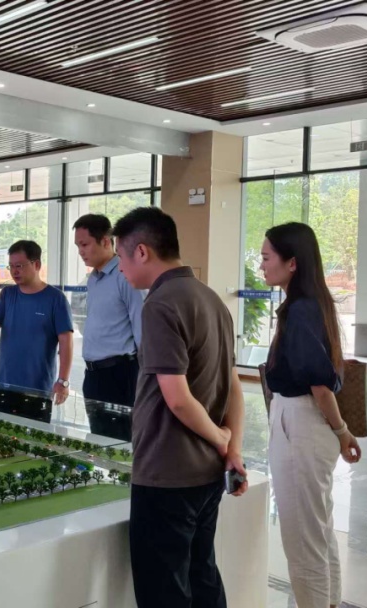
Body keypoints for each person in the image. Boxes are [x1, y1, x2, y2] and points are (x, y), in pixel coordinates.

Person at [111, 207, 246, 608]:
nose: (120, 268)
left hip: (167, 474)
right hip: (206, 475)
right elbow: (233, 386)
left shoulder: (161, 304)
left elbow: (177, 397)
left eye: (120, 257)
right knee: (202, 577)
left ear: (141, 252)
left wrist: (220, 436)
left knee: (164, 591)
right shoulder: (212, 299)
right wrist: (231, 449)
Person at [261, 222, 362, 608]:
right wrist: (340, 432)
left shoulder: (301, 310)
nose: (262, 264)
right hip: (303, 421)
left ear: (292, 263)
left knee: (302, 538)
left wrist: (342, 430)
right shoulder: (311, 304)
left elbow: (319, 385)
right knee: (317, 529)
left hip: (300, 421)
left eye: (267, 257)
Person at [0, 240, 73, 423]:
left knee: (33, 439)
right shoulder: (7, 294)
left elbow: (66, 342)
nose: (14, 271)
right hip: (3, 385)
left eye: (19, 266)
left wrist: (63, 381)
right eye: (11, 266)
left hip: (38, 389)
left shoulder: (55, 299)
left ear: (37, 265)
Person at [72, 213, 143, 440]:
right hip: (93, 375)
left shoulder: (125, 276)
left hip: (120, 374)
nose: (80, 251)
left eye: (84, 244)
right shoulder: (93, 278)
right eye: (77, 246)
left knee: (120, 442)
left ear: (105, 241)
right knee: (99, 439)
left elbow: (142, 330)